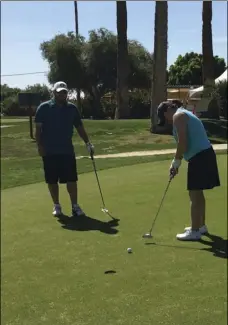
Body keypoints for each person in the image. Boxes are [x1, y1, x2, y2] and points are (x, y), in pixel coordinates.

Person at [157, 101, 220, 241]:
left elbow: (182, 142)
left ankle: (195, 230)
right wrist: (177, 161)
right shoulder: (184, 113)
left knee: (194, 194)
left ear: (168, 110)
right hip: (204, 155)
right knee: (198, 193)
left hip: (200, 157)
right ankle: (201, 225)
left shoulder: (178, 116)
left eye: (164, 117)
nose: (167, 121)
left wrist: (176, 162)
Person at [34, 81, 94, 217]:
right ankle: (57, 205)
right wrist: (40, 146)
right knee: (52, 180)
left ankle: (75, 206)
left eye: (64, 92)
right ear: (54, 92)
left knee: (72, 179)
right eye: (59, 92)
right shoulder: (43, 108)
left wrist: (88, 143)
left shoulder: (72, 109)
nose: (62, 94)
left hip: (67, 150)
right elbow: (38, 130)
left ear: (67, 93)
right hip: (49, 151)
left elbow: (79, 127)